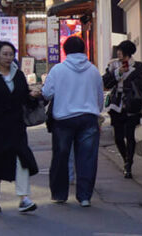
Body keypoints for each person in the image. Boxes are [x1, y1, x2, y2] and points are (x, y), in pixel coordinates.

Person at [0, 40, 40, 214]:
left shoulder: (18, 75)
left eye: (11, 54)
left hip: (16, 126)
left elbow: (24, 97)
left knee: (22, 160)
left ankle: (24, 198)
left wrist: (32, 95)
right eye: (4, 54)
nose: (8, 58)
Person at [41, 36, 104, 207]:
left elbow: (46, 93)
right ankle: (84, 197)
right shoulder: (93, 70)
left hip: (63, 120)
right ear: (84, 50)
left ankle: (60, 194)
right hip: (89, 118)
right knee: (87, 158)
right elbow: (100, 98)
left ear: (65, 51)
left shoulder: (58, 70)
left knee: (61, 157)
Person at [103, 40, 142, 178]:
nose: (118, 53)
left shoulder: (139, 67)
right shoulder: (113, 65)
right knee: (118, 137)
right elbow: (105, 82)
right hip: (116, 105)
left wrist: (128, 79)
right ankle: (125, 159)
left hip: (132, 105)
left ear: (127, 52)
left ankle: (129, 164)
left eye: (121, 50)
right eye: (118, 50)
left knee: (130, 135)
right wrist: (118, 73)